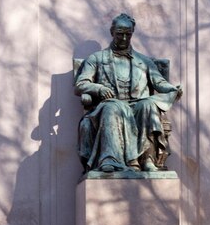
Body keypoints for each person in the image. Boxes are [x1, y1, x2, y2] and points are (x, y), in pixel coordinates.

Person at [75, 13, 182, 173]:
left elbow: (159, 83)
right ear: (112, 32)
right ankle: (109, 159)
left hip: (137, 106)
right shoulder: (96, 58)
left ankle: (147, 159)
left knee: (148, 105)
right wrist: (99, 88)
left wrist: (173, 90)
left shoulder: (144, 61)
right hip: (109, 106)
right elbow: (80, 84)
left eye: (128, 34)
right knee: (113, 108)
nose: (124, 38)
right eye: (120, 34)